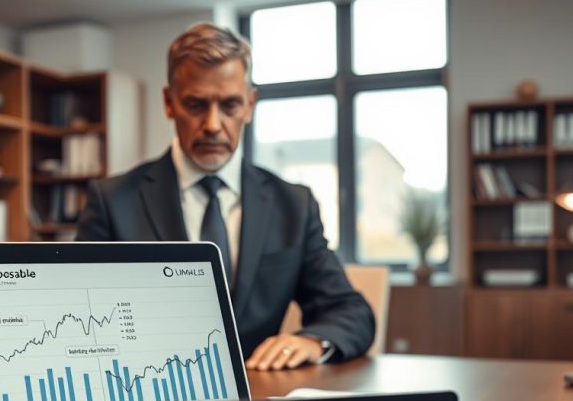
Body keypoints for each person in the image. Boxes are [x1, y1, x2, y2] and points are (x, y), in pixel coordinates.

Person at [76, 23, 374, 371]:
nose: (213, 124)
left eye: (230, 105)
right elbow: (80, 319)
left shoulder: (293, 205)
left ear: (250, 105)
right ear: (169, 103)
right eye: (195, 105)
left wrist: (311, 341)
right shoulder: (113, 201)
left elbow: (351, 312)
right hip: (145, 396)